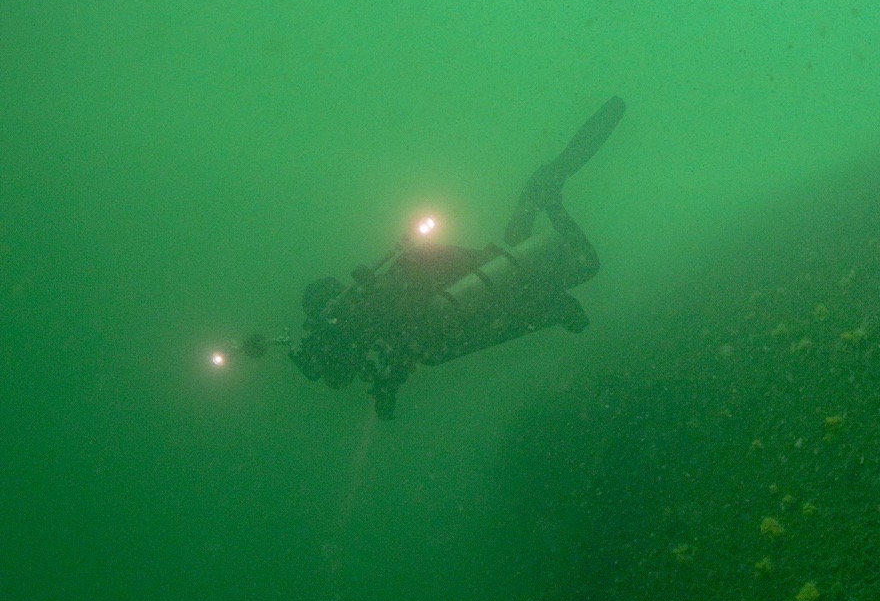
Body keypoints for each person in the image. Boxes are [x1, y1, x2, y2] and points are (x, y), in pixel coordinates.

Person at [245, 96, 625, 419]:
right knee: (523, 285)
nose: (336, 381)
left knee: (582, 265)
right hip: (464, 299)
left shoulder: (360, 319)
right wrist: (389, 385)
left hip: (459, 298)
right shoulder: (362, 324)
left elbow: (404, 326)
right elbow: (403, 340)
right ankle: (530, 219)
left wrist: (389, 381)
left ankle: (547, 200)